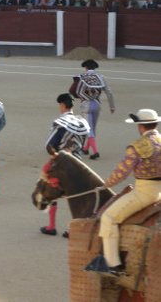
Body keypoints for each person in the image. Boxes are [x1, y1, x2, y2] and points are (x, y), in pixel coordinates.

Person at [86, 109, 161, 276]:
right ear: (156, 124)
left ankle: (113, 264)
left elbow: (121, 173)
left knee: (108, 218)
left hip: (144, 194)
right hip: (159, 193)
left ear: (140, 127)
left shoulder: (137, 147)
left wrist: (105, 185)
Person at [40, 93, 90, 237]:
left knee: (52, 191)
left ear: (62, 105)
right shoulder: (82, 121)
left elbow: (49, 144)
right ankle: (73, 228)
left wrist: (55, 157)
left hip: (62, 161)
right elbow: (85, 142)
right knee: (76, 195)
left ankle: (51, 226)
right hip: (78, 160)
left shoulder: (60, 122)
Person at [69, 59, 115, 160]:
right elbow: (109, 92)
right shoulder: (100, 77)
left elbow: (73, 90)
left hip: (86, 105)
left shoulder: (81, 77)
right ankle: (86, 148)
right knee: (92, 128)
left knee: (88, 129)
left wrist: (81, 97)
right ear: (95, 68)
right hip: (97, 104)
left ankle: (95, 152)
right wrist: (112, 106)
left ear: (85, 67)